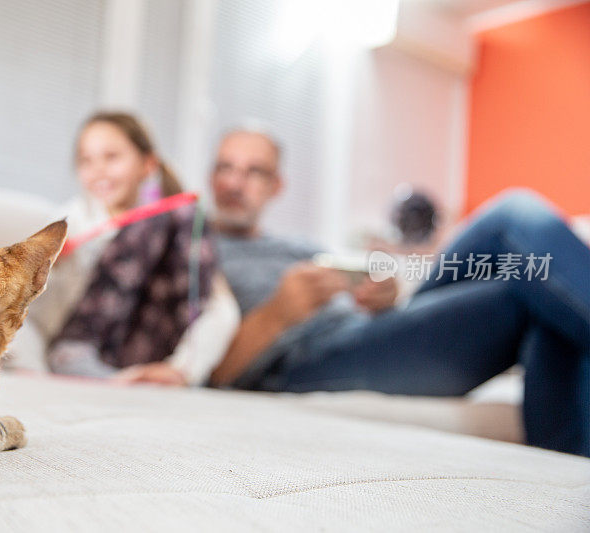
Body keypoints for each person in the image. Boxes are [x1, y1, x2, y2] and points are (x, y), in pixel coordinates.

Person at [207, 128, 590, 457]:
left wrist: (381, 297)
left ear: (277, 185)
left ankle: (573, 454)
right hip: (306, 361)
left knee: (530, 258)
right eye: (225, 167)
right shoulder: (195, 251)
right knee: (515, 225)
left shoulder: (298, 247)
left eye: (253, 171)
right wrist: (279, 312)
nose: (234, 183)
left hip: (370, 332)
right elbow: (206, 371)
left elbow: (365, 307)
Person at [28, 112, 239, 386]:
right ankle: (80, 355)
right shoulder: (68, 224)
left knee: (183, 212)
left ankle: (142, 376)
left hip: (145, 351)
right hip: (80, 345)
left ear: (148, 164)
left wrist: (184, 369)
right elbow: (28, 315)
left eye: (111, 157)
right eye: (86, 160)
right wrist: (45, 270)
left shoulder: (171, 225)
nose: (98, 170)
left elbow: (220, 310)